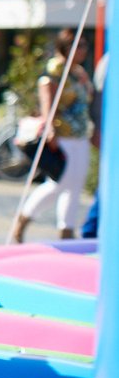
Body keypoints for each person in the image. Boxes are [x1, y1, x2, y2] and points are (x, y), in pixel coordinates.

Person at [12, 29, 94, 242]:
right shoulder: (56, 69)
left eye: (85, 45)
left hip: (80, 134)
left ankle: (67, 230)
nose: (83, 50)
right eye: (79, 46)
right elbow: (47, 97)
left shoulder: (78, 71)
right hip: (63, 133)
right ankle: (24, 218)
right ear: (66, 47)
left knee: (75, 184)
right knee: (61, 182)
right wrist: (50, 128)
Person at [80, 52, 107, 239]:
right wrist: (97, 129)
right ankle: (90, 233)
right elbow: (98, 98)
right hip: (112, 134)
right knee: (109, 183)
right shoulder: (111, 60)